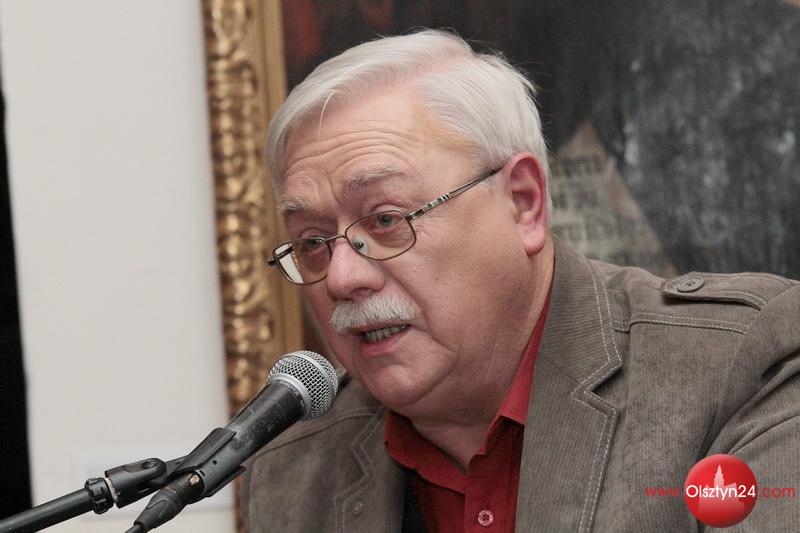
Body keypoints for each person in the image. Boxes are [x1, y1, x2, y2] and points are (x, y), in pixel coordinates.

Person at [242, 29, 800, 532]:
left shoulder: (736, 367)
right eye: (312, 243)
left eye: (386, 220)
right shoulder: (292, 468)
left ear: (523, 202)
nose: (342, 277)